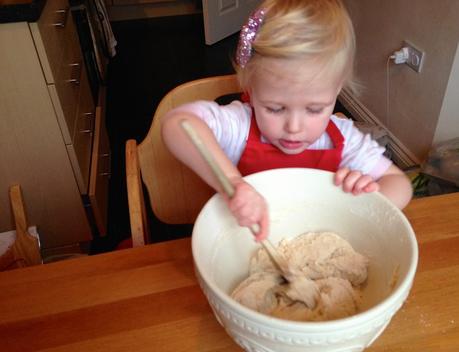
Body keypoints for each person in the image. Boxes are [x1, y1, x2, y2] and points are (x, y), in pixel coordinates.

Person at [161, 0, 413, 241]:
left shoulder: (345, 141)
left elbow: (400, 185)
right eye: (275, 108)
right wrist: (233, 183)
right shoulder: (239, 127)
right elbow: (178, 124)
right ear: (251, 89)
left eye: (315, 109)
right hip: (245, 239)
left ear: (337, 91)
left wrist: (366, 198)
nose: (294, 128)